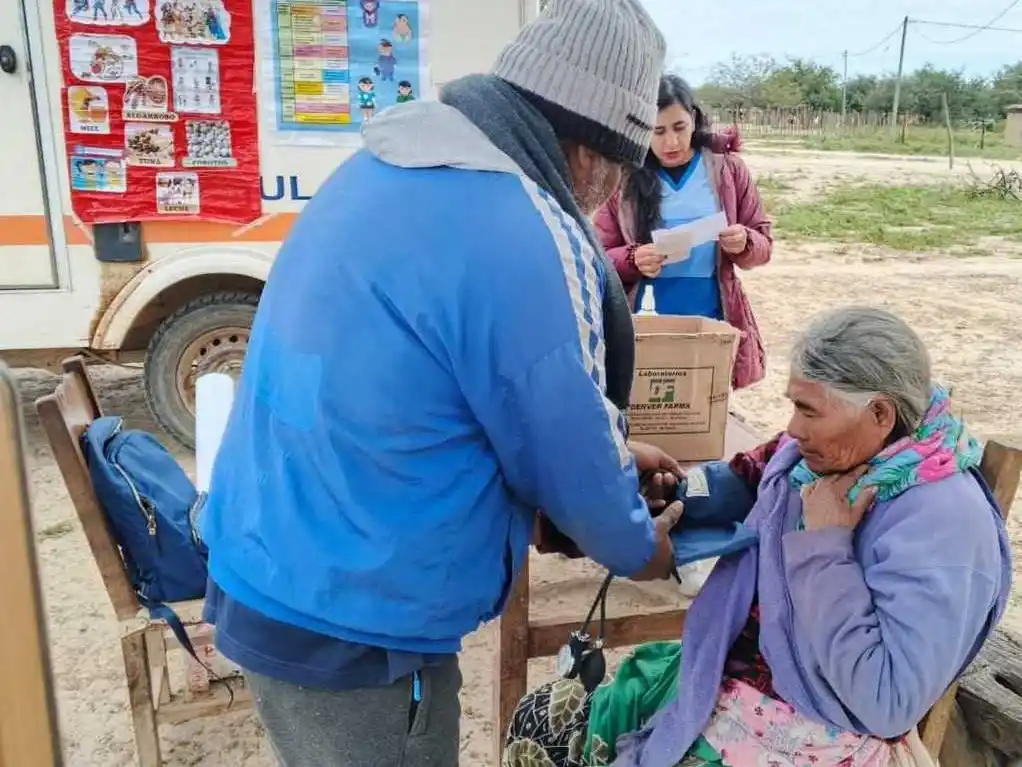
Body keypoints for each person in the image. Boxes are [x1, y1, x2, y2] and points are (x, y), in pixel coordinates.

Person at [199, 1, 675, 765]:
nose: (609, 191)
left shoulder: (391, 160)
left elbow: (442, 391)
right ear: (594, 148)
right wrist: (636, 541)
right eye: (619, 168)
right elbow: (569, 448)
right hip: (353, 619)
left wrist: (607, 469)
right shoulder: (523, 228)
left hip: (275, 557)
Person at [504, 306, 1012, 767]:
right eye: (794, 405)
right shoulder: (821, 456)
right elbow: (751, 479)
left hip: (807, 728)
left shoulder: (945, 527)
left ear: (880, 413)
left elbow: (886, 702)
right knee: (541, 722)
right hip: (728, 671)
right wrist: (665, 493)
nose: (793, 428)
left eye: (809, 411)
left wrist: (825, 549)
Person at [593, 75, 771, 390]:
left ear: (694, 120)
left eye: (679, 127)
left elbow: (762, 244)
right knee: (652, 416)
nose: (671, 143)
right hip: (646, 324)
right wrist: (633, 259)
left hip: (710, 320)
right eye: (657, 131)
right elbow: (599, 256)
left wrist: (744, 242)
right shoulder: (621, 178)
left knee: (703, 418)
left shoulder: (727, 170)